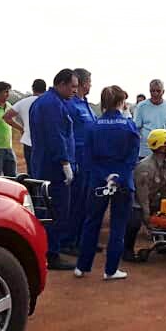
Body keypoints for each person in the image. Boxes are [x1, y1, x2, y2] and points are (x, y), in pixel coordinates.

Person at [75, 85, 140, 280]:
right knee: (118, 226)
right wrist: (117, 176)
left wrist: (104, 176)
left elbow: (87, 158)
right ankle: (110, 270)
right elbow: (132, 158)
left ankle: (82, 266)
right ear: (121, 102)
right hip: (122, 182)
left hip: (98, 180)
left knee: (91, 222)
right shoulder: (129, 126)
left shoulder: (94, 126)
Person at [29, 69, 78, 270]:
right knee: (57, 210)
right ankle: (52, 253)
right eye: (73, 86)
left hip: (44, 163)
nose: (75, 90)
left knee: (48, 209)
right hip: (53, 167)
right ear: (62, 84)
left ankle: (49, 250)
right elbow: (56, 136)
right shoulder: (51, 104)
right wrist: (65, 163)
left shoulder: (49, 102)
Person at [125, 128, 166, 260]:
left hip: (151, 199)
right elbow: (142, 196)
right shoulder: (145, 167)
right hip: (135, 200)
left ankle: (165, 243)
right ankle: (127, 250)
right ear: (161, 148)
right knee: (135, 221)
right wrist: (147, 216)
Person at [63, 68, 97, 254]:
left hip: (90, 158)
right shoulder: (71, 105)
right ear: (84, 83)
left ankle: (82, 239)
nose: (91, 85)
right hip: (77, 158)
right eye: (90, 82)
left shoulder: (86, 105)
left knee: (87, 201)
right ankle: (69, 241)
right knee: (76, 201)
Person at [5, 78, 46, 171]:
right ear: (45, 89)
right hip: (45, 142)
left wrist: (21, 128)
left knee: (31, 172)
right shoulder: (49, 102)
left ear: (33, 88)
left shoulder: (24, 102)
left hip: (28, 141)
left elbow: (6, 117)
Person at [133, 79, 166, 159]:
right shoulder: (141, 106)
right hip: (146, 152)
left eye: (158, 91)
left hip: (165, 151)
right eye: (152, 91)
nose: (155, 94)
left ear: (163, 91)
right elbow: (136, 128)